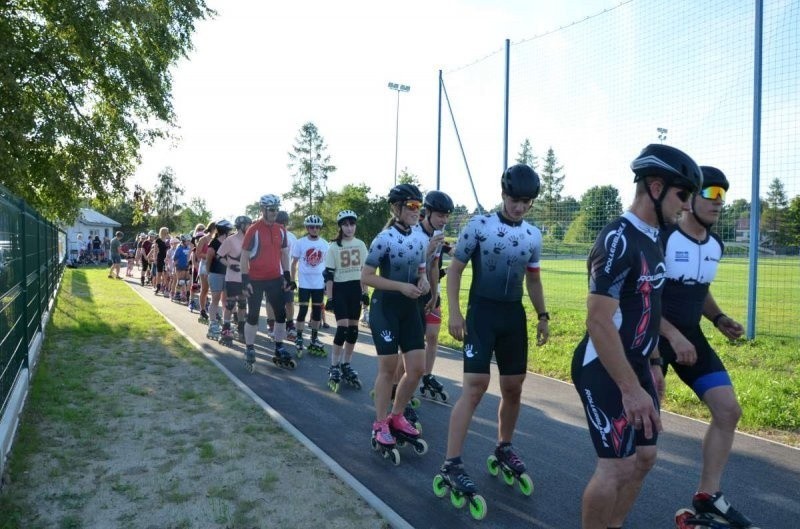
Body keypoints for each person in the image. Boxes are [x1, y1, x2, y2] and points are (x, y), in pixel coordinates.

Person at [571, 144, 702, 529]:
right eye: (683, 195)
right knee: (617, 465)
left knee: (645, 458)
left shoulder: (656, 237)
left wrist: (655, 360)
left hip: (639, 364)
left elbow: (647, 305)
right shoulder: (618, 239)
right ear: (656, 187)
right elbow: (598, 321)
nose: (687, 206)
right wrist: (630, 388)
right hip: (604, 365)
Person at [438, 164, 549, 498]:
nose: (519, 206)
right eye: (515, 199)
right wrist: (455, 312)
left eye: (526, 201)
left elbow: (533, 278)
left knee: (513, 388)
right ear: (503, 194)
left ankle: (503, 446)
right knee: (475, 388)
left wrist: (542, 315)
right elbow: (455, 270)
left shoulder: (533, 235)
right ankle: (452, 463)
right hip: (481, 314)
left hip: (513, 316)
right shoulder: (479, 226)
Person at [659, 167, 755, 529]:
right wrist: (670, 337)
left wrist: (718, 318)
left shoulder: (715, 245)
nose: (719, 202)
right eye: (712, 192)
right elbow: (641, 299)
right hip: (653, 336)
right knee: (643, 440)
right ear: (689, 199)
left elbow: (700, 291)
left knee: (728, 411)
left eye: (723, 195)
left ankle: (708, 496)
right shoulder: (664, 238)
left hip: (690, 337)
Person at [361, 184, 429, 451]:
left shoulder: (420, 239)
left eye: (419, 206)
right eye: (411, 206)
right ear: (397, 208)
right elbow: (366, 276)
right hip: (386, 307)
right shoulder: (384, 238)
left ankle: (397, 415)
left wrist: (423, 281)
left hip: (409, 308)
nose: (417, 211)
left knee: (417, 370)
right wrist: (401, 286)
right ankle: (380, 423)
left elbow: (421, 270)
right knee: (388, 369)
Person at [240, 194, 297, 369]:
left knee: (280, 315)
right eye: (271, 209)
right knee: (253, 315)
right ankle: (249, 348)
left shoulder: (281, 229)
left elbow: (284, 253)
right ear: (262, 210)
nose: (274, 213)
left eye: (276, 209)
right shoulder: (253, 229)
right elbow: (243, 256)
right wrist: (245, 280)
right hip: (256, 279)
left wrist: (287, 276)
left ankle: (279, 347)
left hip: (275, 278)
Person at [323, 210, 369, 390]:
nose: (349, 228)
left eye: (352, 224)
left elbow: (365, 271)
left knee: (353, 331)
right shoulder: (334, 247)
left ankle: (346, 363)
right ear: (341, 227)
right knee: (342, 329)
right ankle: (334, 365)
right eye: (345, 225)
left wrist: (365, 292)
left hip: (355, 289)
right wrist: (330, 297)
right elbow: (329, 275)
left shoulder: (361, 245)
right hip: (340, 289)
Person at [416, 190, 455, 401]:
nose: (444, 220)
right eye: (441, 215)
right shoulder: (414, 234)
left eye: (447, 216)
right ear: (428, 213)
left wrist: (433, 293)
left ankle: (427, 375)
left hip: (432, 292)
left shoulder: (439, 236)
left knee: (432, 336)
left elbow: (433, 266)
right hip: (413, 294)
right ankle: (398, 385)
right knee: (413, 343)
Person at [291, 215, 330, 359]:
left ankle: (314, 338)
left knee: (317, 312)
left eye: (317, 227)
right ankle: (300, 337)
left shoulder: (325, 244)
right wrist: (292, 280)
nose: (315, 229)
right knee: (302, 310)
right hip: (305, 283)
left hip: (319, 283)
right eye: (312, 227)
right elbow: (294, 263)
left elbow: (328, 266)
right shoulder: (300, 243)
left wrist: (327, 283)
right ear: (307, 228)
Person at [217, 215, 252, 345]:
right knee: (230, 304)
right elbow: (219, 256)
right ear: (241, 226)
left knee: (243, 304)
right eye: (248, 224)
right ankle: (226, 328)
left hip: (245, 277)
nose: (250, 227)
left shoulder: (251, 240)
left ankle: (241, 328)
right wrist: (230, 265)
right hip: (232, 277)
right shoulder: (230, 240)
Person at [206, 221, 231, 340]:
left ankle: (226, 324)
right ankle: (213, 323)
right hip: (215, 273)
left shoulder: (229, 241)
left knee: (225, 300)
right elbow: (209, 259)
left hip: (228, 274)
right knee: (215, 298)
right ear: (225, 230)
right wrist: (208, 272)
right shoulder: (214, 243)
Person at [195, 222, 215, 323]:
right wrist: (208, 256)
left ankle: (213, 311)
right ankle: (202, 310)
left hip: (215, 266)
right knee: (205, 289)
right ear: (213, 228)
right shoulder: (203, 239)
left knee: (215, 291)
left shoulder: (219, 239)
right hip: (204, 265)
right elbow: (198, 253)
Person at [153, 227, 170, 295]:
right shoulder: (158, 240)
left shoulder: (168, 240)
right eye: (166, 231)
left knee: (165, 274)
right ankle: (158, 287)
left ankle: (164, 287)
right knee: (159, 273)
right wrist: (155, 259)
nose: (167, 233)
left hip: (166, 258)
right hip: (160, 258)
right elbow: (155, 250)